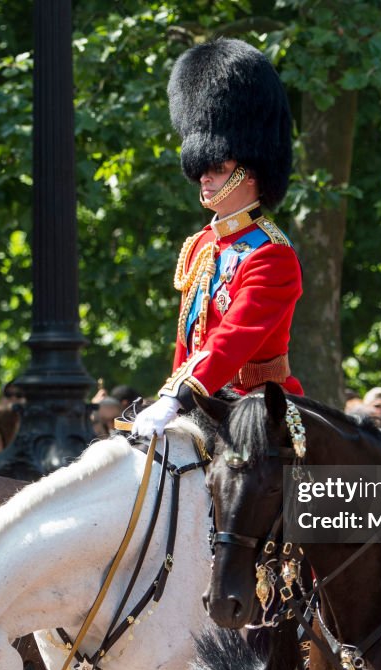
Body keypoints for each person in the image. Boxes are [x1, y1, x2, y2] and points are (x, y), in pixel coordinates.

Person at [134, 38, 302, 437]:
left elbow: (233, 339)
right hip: (200, 402)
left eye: (217, 167)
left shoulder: (272, 255)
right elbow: (187, 344)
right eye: (201, 168)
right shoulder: (202, 245)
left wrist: (179, 396)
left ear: (251, 170)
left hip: (258, 409)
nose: (204, 176)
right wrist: (171, 396)